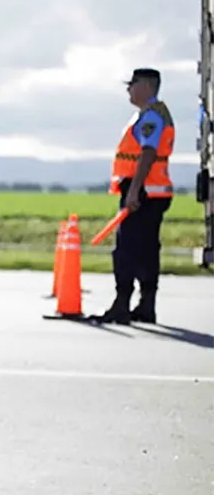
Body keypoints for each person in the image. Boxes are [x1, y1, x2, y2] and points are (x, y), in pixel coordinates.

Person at [97, 67, 174, 324]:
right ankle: (145, 306)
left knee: (126, 251)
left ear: (147, 86)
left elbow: (148, 152)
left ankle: (122, 305)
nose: (129, 89)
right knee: (147, 251)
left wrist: (132, 191)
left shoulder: (151, 116)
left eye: (133, 84)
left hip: (142, 192)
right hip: (153, 191)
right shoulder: (153, 114)